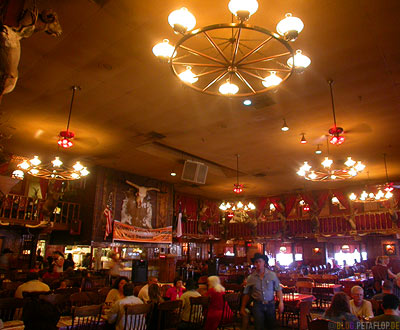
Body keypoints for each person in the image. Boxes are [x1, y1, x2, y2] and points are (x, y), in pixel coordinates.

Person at [241, 253, 284, 330]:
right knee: (258, 326)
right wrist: (243, 307)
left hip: (270, 304)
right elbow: (246, 293)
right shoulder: (251, 278)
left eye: (260, 261)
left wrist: (281, 302)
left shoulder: (272, 275)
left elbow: (278, 289)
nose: (258, 264)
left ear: (264, 262)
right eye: (256, 262)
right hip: (257, 305)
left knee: (271, 326)